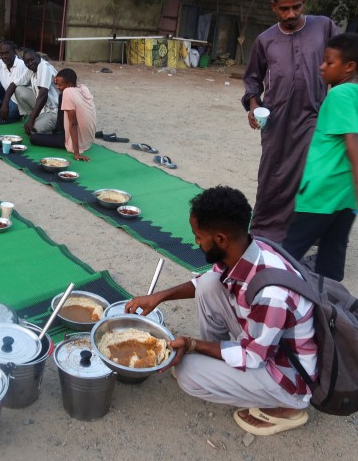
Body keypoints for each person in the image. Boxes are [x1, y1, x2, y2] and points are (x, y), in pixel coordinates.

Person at [126, 186, 317, 436]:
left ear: (220, 239)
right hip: (267, 341)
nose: (196, 242)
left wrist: (194, 345)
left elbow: (253, 356)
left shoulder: (271, 295)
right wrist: (159, 296)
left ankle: (286, 408)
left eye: (198, 235)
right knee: (209, 285)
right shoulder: (251, 249)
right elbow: (204, 282)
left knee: (187, 373)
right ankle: (215, 362)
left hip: (287, 375)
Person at [242, 0, 339, 242]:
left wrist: (339, 102)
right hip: (275, 119)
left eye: (296, 7)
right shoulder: (265, 40)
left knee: (308, 173)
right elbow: (252, 78)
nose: (290, 14)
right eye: (284, 8)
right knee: (272, 175)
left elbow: (342, 63)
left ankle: (301, 234)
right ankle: (264, 232)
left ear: (304, 2)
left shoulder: (324, 27)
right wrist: (253, 104)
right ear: (273, 6)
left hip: (313, 114)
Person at [282, 33, 358, 281]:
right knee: (333, 252)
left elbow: (353, 139)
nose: (322, 67)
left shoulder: (339, 95)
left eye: (329, 62)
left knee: (289, 252)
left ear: (349, 67)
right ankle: (330, 305)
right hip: (348, 194)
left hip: (325, 188)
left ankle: (270, 301)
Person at [29, 68, 96, 162]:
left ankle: (61, 137)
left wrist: (76, 153)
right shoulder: (83, 88)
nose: (57, 87)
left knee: (34, 138)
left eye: (60, 85)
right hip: (88, 141)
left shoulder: (68, 92)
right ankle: (58, 131)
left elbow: (73, 124)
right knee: (61, 95)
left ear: (69, 85)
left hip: (74, 142)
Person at [5, 48, 60, 135]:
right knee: (19, 90)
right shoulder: (32, 69)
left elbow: (43, 95)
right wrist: (5, 104)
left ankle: (54, 129)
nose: (30, 63)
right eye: (26, 62)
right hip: (44, 108)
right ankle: (36, 118)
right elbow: (14, 84)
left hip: (55, 110)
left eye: (31, 60)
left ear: (38, 57)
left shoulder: (44, 66)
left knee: (33, 131)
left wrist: (32, 119)